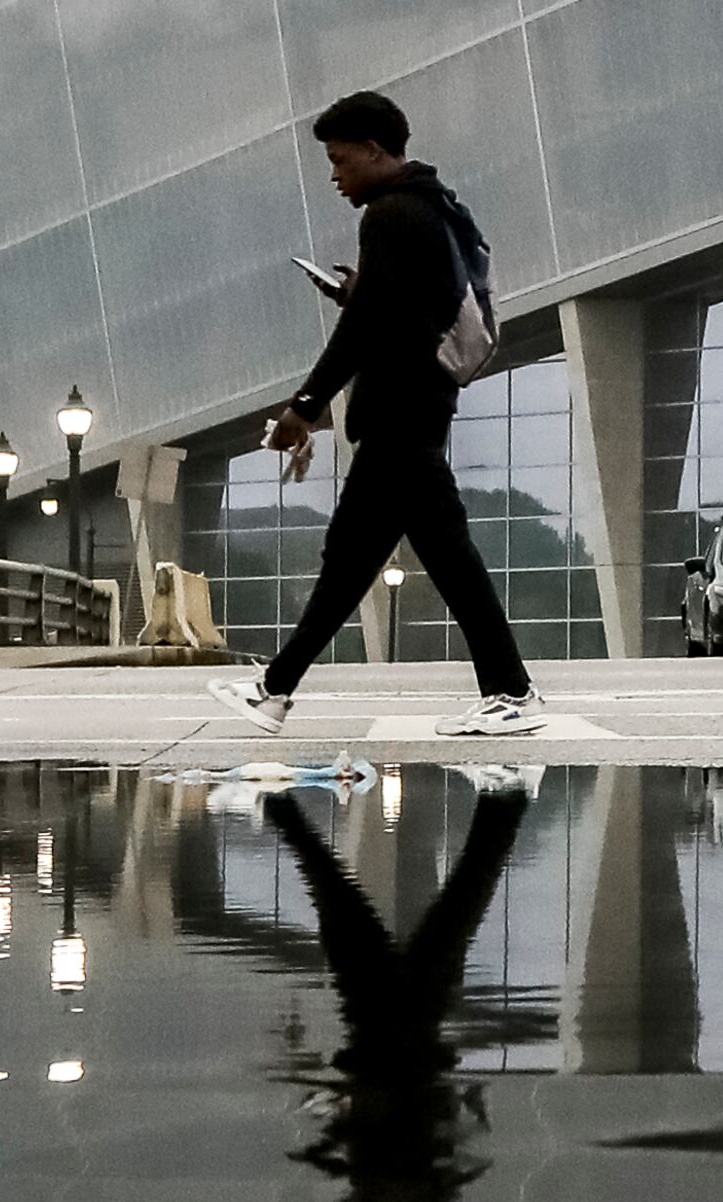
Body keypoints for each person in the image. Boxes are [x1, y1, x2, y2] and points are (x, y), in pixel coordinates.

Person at [212, 91, 536, 738]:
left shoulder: (390, 215)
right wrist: (362, 291)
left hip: (399, 414)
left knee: (426, 557)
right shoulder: (433, 207)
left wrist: (304, 407)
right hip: (419, 409)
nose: (334, 176)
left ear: (373, 150)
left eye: (338, 160)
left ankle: (511, 692)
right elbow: (405, 308)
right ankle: (275, 689)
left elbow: (365, 330)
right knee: (362, 558)